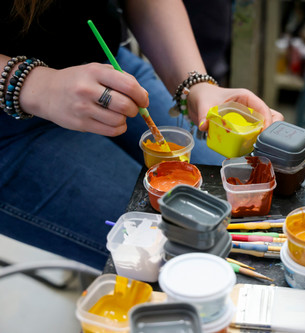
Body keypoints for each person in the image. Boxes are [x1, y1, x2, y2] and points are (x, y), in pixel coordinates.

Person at [0, 0, 284, 269]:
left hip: (109, 69)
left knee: (247, 204)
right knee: (185, 250)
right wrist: (32, 85)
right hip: (11, 128)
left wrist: (195, 85)